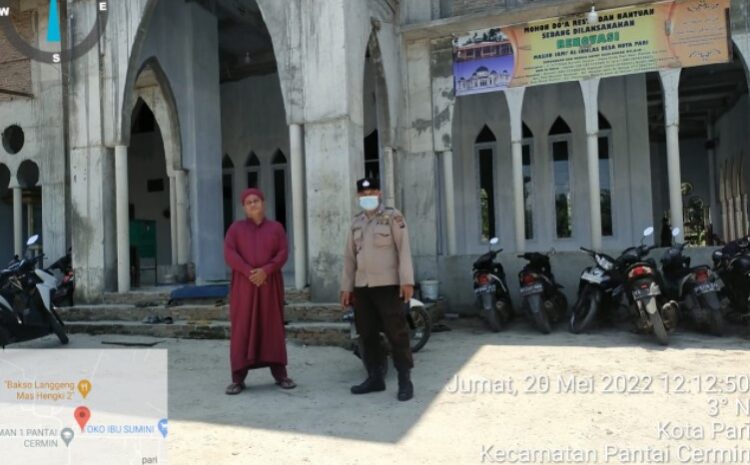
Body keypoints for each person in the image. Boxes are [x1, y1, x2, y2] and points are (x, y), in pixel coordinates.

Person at [340, 177, 416, 401]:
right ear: (358, 197)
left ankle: (405, 379)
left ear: (379, 193)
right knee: (367, 334)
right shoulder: (356, 223)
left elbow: (404, 250)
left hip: (388, 285)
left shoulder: (393, 217)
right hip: (362, 287)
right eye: (363, 194)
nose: (367, 197)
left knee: (397, 333)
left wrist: (407, 281)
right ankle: (375, 377)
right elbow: (349, 258)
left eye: (371, 192)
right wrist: (347, 287)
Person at [223, 187, 296, 395]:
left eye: (256, 200)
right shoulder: (235, 230)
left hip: (269, 285)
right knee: (242, 327)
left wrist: (266, 270)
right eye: (248, 202)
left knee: (271, 325)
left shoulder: (276, 228)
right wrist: (249, 272)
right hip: (244, 286)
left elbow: (283, 253)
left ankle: (280, 374)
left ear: (263, 203)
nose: (253, 204)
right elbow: (229, 253)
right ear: (244, 207)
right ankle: (238, 378)